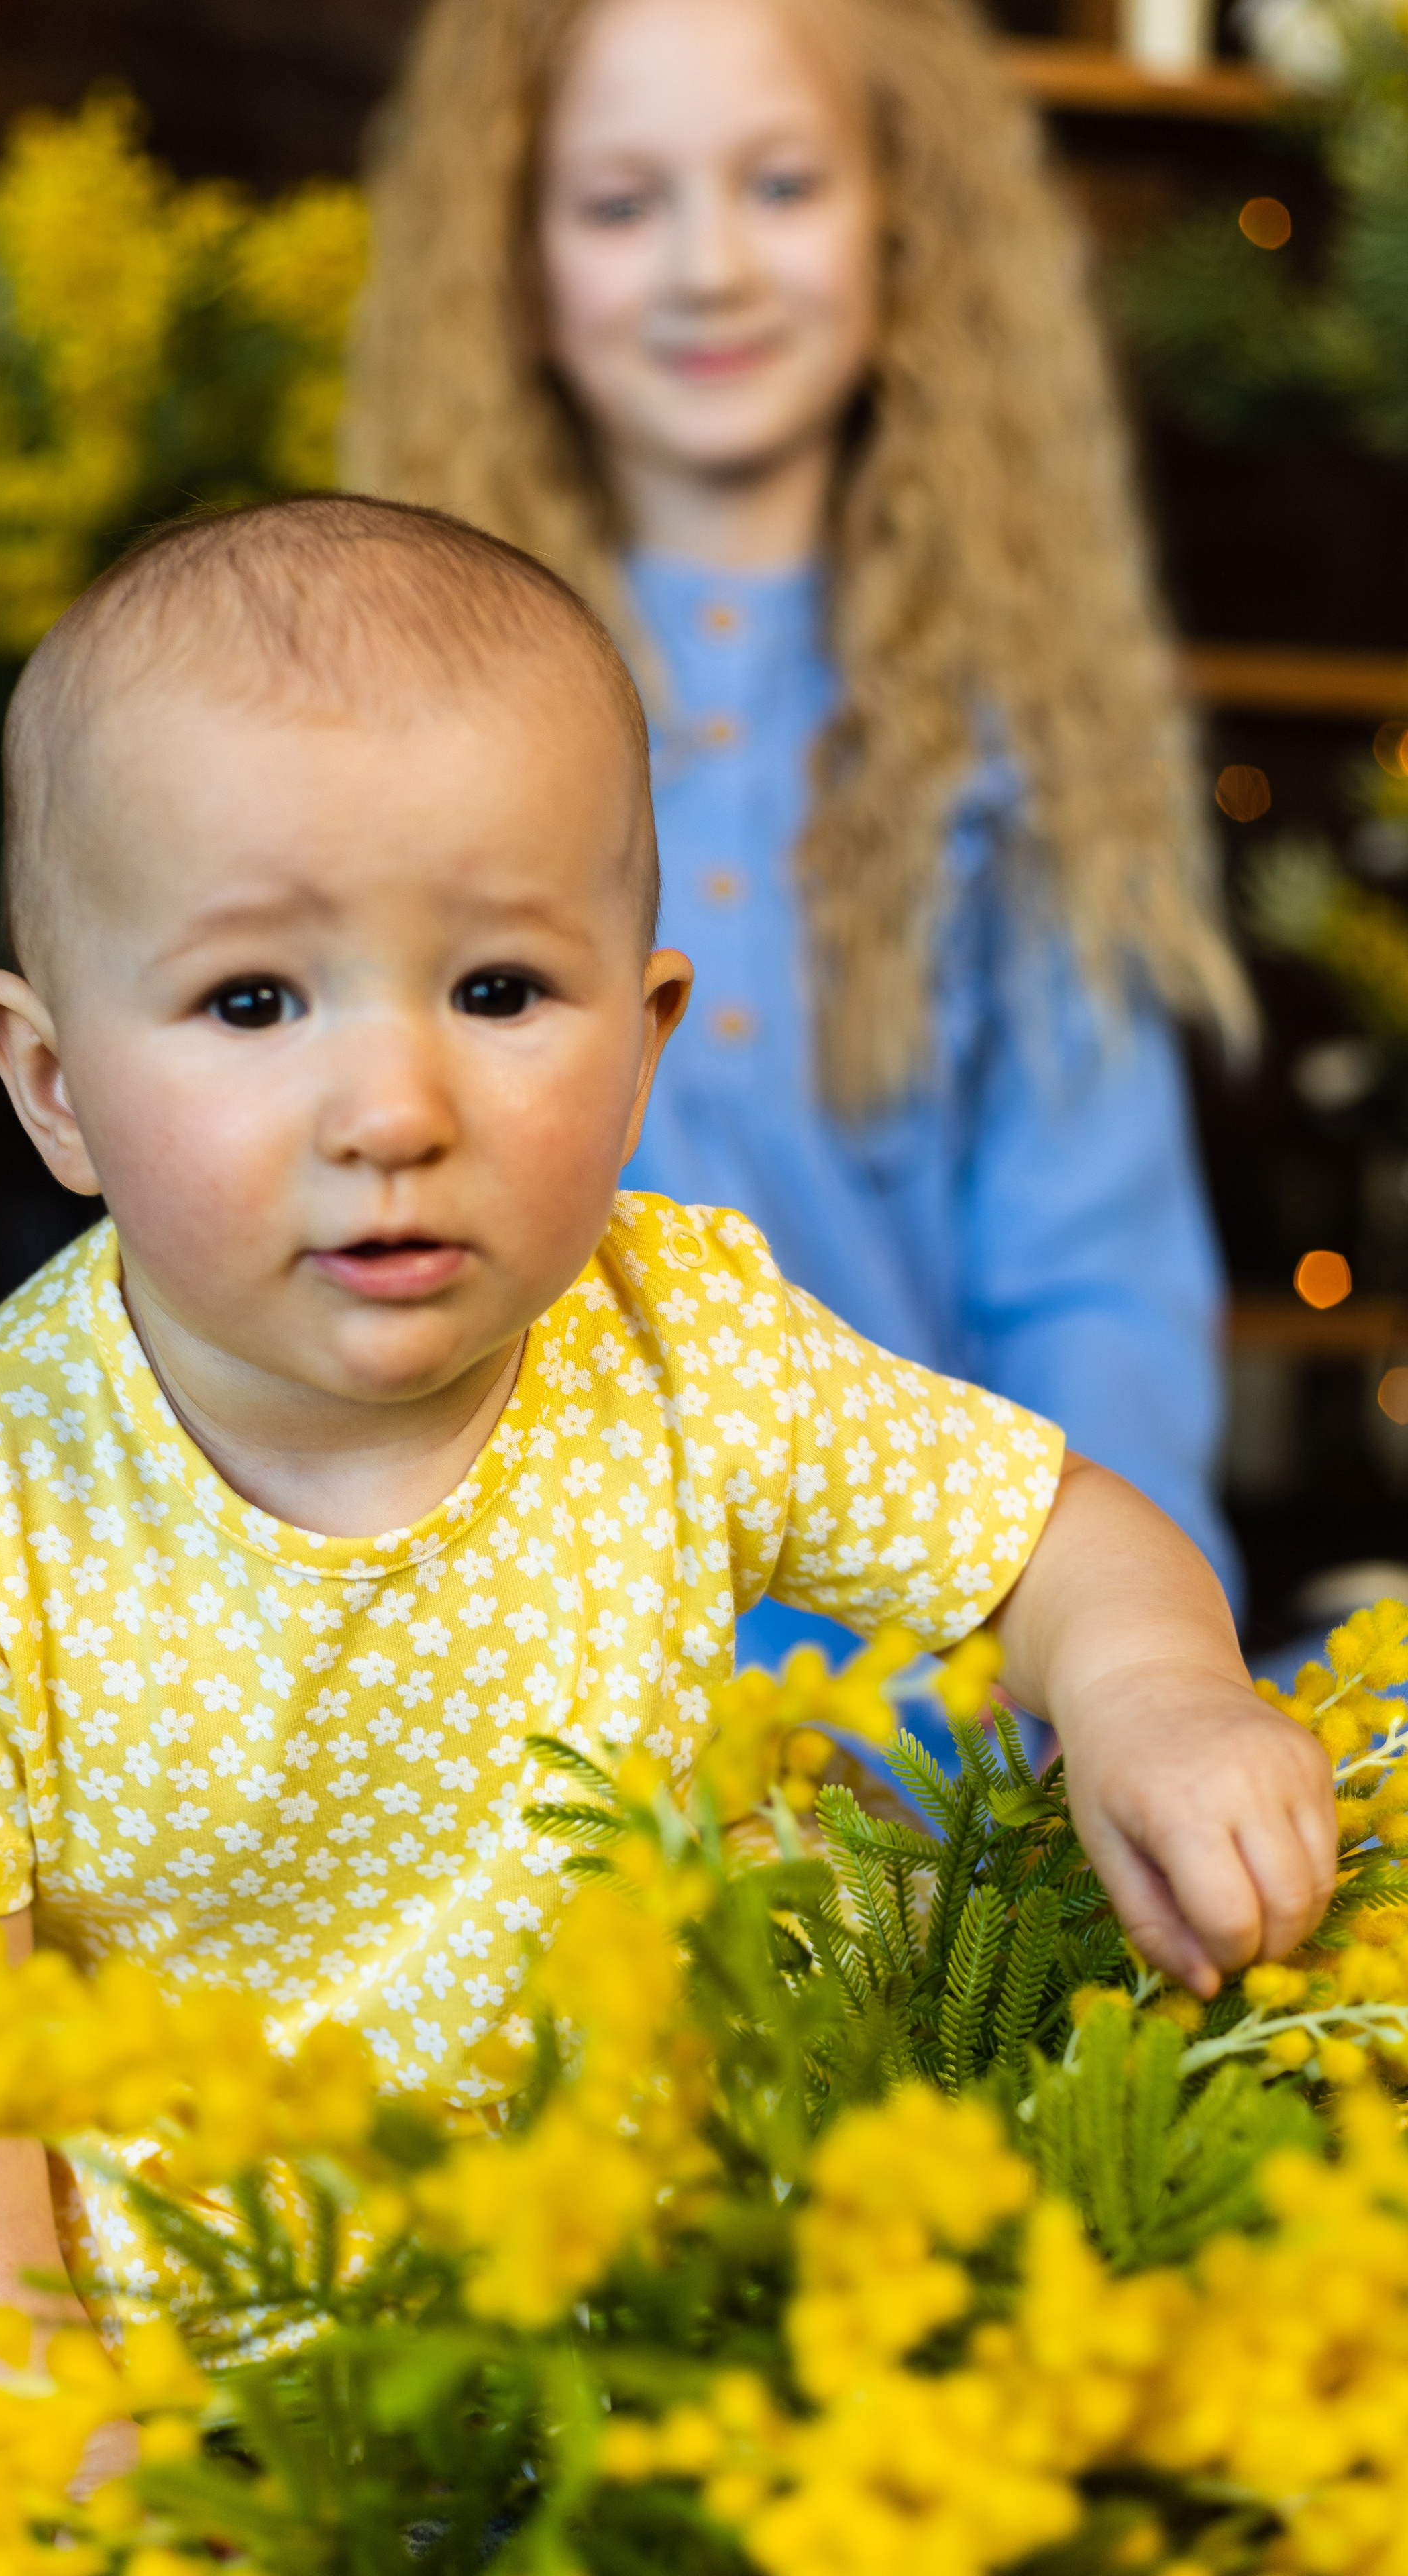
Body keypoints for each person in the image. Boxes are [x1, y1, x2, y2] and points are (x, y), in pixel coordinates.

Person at [0, 501, 1328, 2468]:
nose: (393, 1113)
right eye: (253, 1002)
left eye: (495, 993)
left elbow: (1047, 1533)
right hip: (159, 2314)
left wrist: (1158, 1692)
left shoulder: (684, 1343)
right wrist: (65, 2455)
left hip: (639, 2247)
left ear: (641, 1050)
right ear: (54, 1085)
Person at [344, 0, 1256, 1690]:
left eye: (780, 186)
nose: (709, 269)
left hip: (921, 1692)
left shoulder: (1010, 737)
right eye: (621, 203)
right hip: (482, 1692)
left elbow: (1089, 1284)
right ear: (510, 255)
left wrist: (1125, 1678)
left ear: (902, 219)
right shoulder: (379, 711)